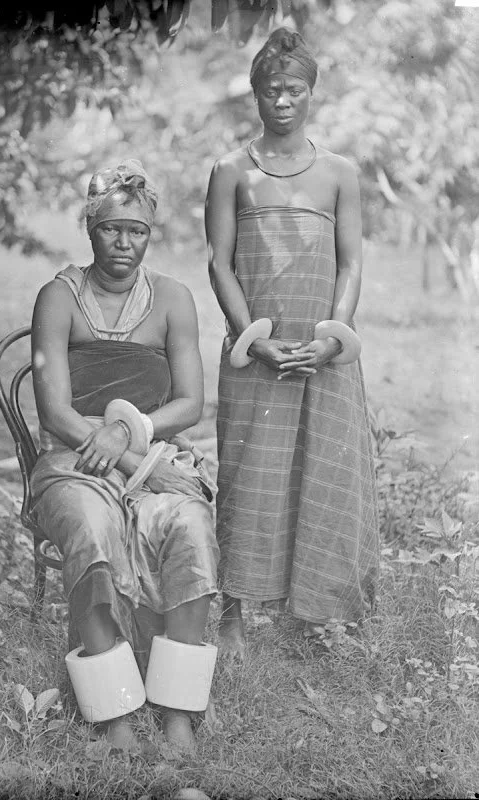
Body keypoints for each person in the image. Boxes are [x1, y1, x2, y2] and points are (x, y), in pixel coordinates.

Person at [30, 160, 219, 753]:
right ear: (90, 227)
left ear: (150, 233)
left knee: (190, 525)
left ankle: (179, 712)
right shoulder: (58, 297)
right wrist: (114, 447)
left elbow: (190, 403)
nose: (124, 242)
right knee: (92, 530)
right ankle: (114, 717)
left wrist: (129, 432)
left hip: (152, 450)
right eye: (112, 227)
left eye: (137, 230)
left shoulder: (172, 299)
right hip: (73, 459)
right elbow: (55, 411)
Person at [205, 29, 379, 656]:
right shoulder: (232, 172)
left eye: (294, 89)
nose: (282, 100)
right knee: (249, 472)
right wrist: (250, 340)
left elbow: (352, 264)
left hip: (322, 354)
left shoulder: (339, 173)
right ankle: (231, 615)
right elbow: (220, 264)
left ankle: (315, 615)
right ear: (255, 94)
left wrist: (335, 339)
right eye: (271, 89)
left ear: (312, 94)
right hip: (256, 354)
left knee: (320, 471)